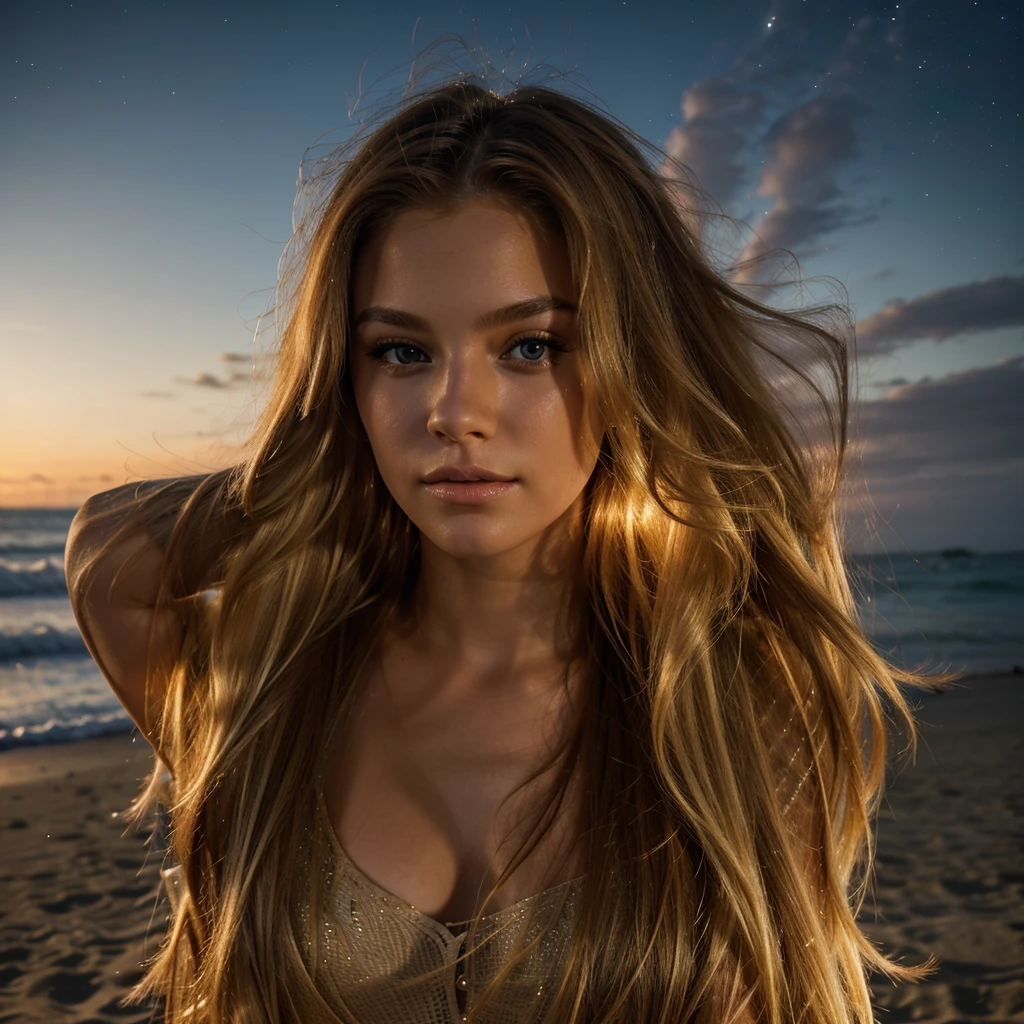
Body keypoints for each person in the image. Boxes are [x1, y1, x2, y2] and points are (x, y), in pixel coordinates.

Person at [65, 73, 938, 1024]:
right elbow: (111, 556)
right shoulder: (279, 681)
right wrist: (322, 471)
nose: (454, 413)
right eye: (402, 352)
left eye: (530, 346)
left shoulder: (731, 699)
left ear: (630, 358)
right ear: (344, 378)